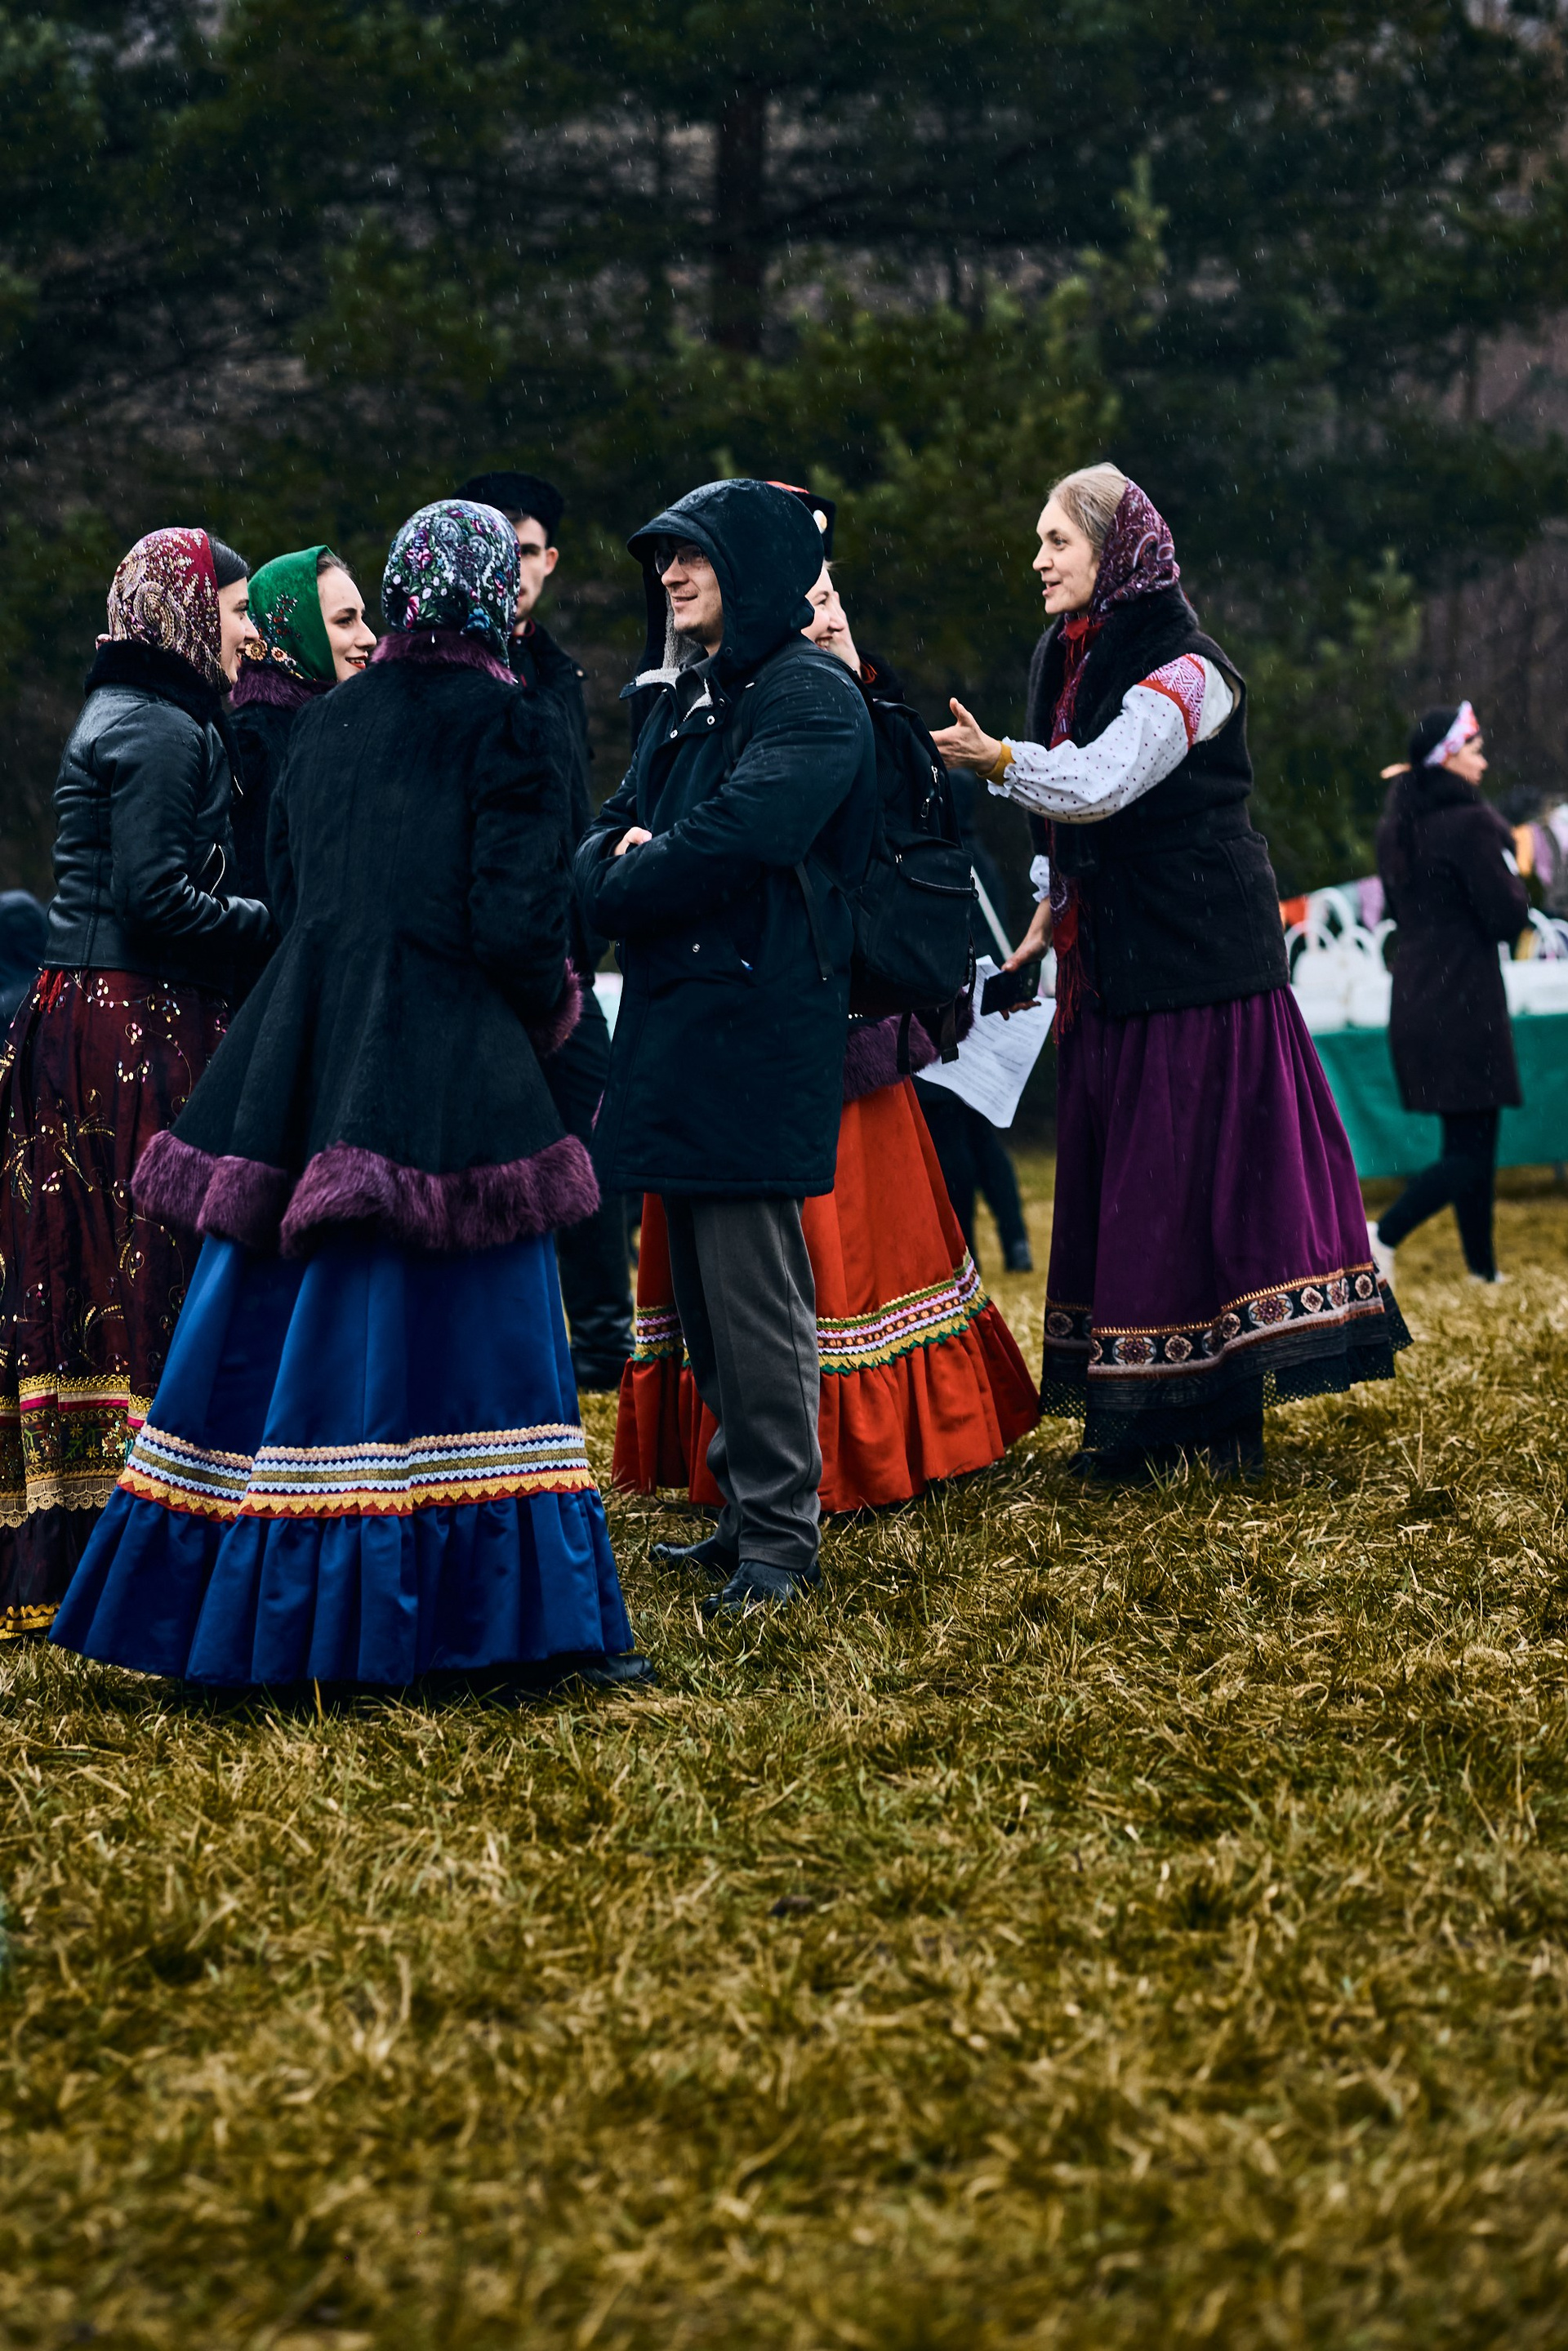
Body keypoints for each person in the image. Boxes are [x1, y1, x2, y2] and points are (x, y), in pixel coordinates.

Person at [51, 500, 644, 1691]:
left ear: (407, 594)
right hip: (451, 1058)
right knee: (477, 1352)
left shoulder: (324, 723)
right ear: (492, 598)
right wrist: (543, 1019)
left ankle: (252, 1607)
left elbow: (288, 890)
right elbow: (518, 926)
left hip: (308, 1052)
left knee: (277, 1329)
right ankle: (498, 1627)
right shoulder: (514, 723)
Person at [934, 464, 1410, 1480]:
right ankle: (1144, 1420)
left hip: (1202, 965)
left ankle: (1221, 1422)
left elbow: (1103, 780)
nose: (1038, 559)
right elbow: (1067, 822)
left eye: (1058, 540)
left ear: (1115, 552)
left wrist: (998, 759)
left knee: (1200, 1192)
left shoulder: (1191, 669)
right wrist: (1047, 906)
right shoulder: (1067, 652)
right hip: (1116, 963)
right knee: (1134, 1196)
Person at [614, 544, 1039, 1514]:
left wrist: (868, 698)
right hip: (744, 1012)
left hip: (839, 1009)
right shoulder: (698, 696)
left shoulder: (845, 701)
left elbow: (907, 833)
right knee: (747, 1266)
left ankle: (850, 1457)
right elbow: (669, 829)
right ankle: (762, 1468)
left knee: (840, 1240)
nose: (826, 610)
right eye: (808, 595)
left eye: (833, 590)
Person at [575, 478, 877, 1613]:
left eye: (691, 553)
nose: (669, 574)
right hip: (684, 1025)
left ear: (750, 563)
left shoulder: (810, 693)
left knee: (754, 1297)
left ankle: (782, 1544)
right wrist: (624, 862)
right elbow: (602, 836)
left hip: (758, 1029)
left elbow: (746, 832)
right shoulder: (689, 693)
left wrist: (634, 868)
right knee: (706, 1301)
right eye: (662, 556)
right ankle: (745, 1514)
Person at [0, 528, 271, 1639]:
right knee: (142, 1262)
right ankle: (146, 1530)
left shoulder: (128, 709)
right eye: (237, 610)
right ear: (187, 614)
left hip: (85, 1007)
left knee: (86, 1266)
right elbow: (159, 898)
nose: (250, 632)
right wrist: (274, 923)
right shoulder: (161, 724)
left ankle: (82, 1538)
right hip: (129, 1019)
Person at [459, 468, 635, 1392]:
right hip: (474, 958)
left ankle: (604, 1344)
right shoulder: (452, 669)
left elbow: (570, 817)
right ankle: (493, 1340)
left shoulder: (559, 674)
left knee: (590, 1137)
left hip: (563, 954)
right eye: (498, 550)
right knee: (481, 1152)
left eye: (526, 551)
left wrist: (584, 926)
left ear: (551, 560)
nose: (513, 569)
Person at [1370, 702, 1529, 1286]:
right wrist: (1516, 882)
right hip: (1464, 998)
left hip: (1417, 995)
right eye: (1475, 751)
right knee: (1470, 1148)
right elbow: (1507, 916)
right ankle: (1383, 1235)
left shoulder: (1399, 827)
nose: (1483, 762)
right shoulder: (1472, 824)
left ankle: (1482, 1270)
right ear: (1450, 757)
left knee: (1468, 1138)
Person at [912, 765, 1035, 1272]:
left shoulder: (941, 864)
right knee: (981, 1132)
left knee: (949, 1132)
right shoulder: (980, 861)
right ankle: (1015, 1241)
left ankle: (968, 1251)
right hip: (987, 1008)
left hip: (952, 1009)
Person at [228, 546, 376, 902]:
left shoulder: (354, 729)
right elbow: (258, 888)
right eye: (345, 620)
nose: (369, 637)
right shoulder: (252, 743)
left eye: (362, 617)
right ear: (298, 630)